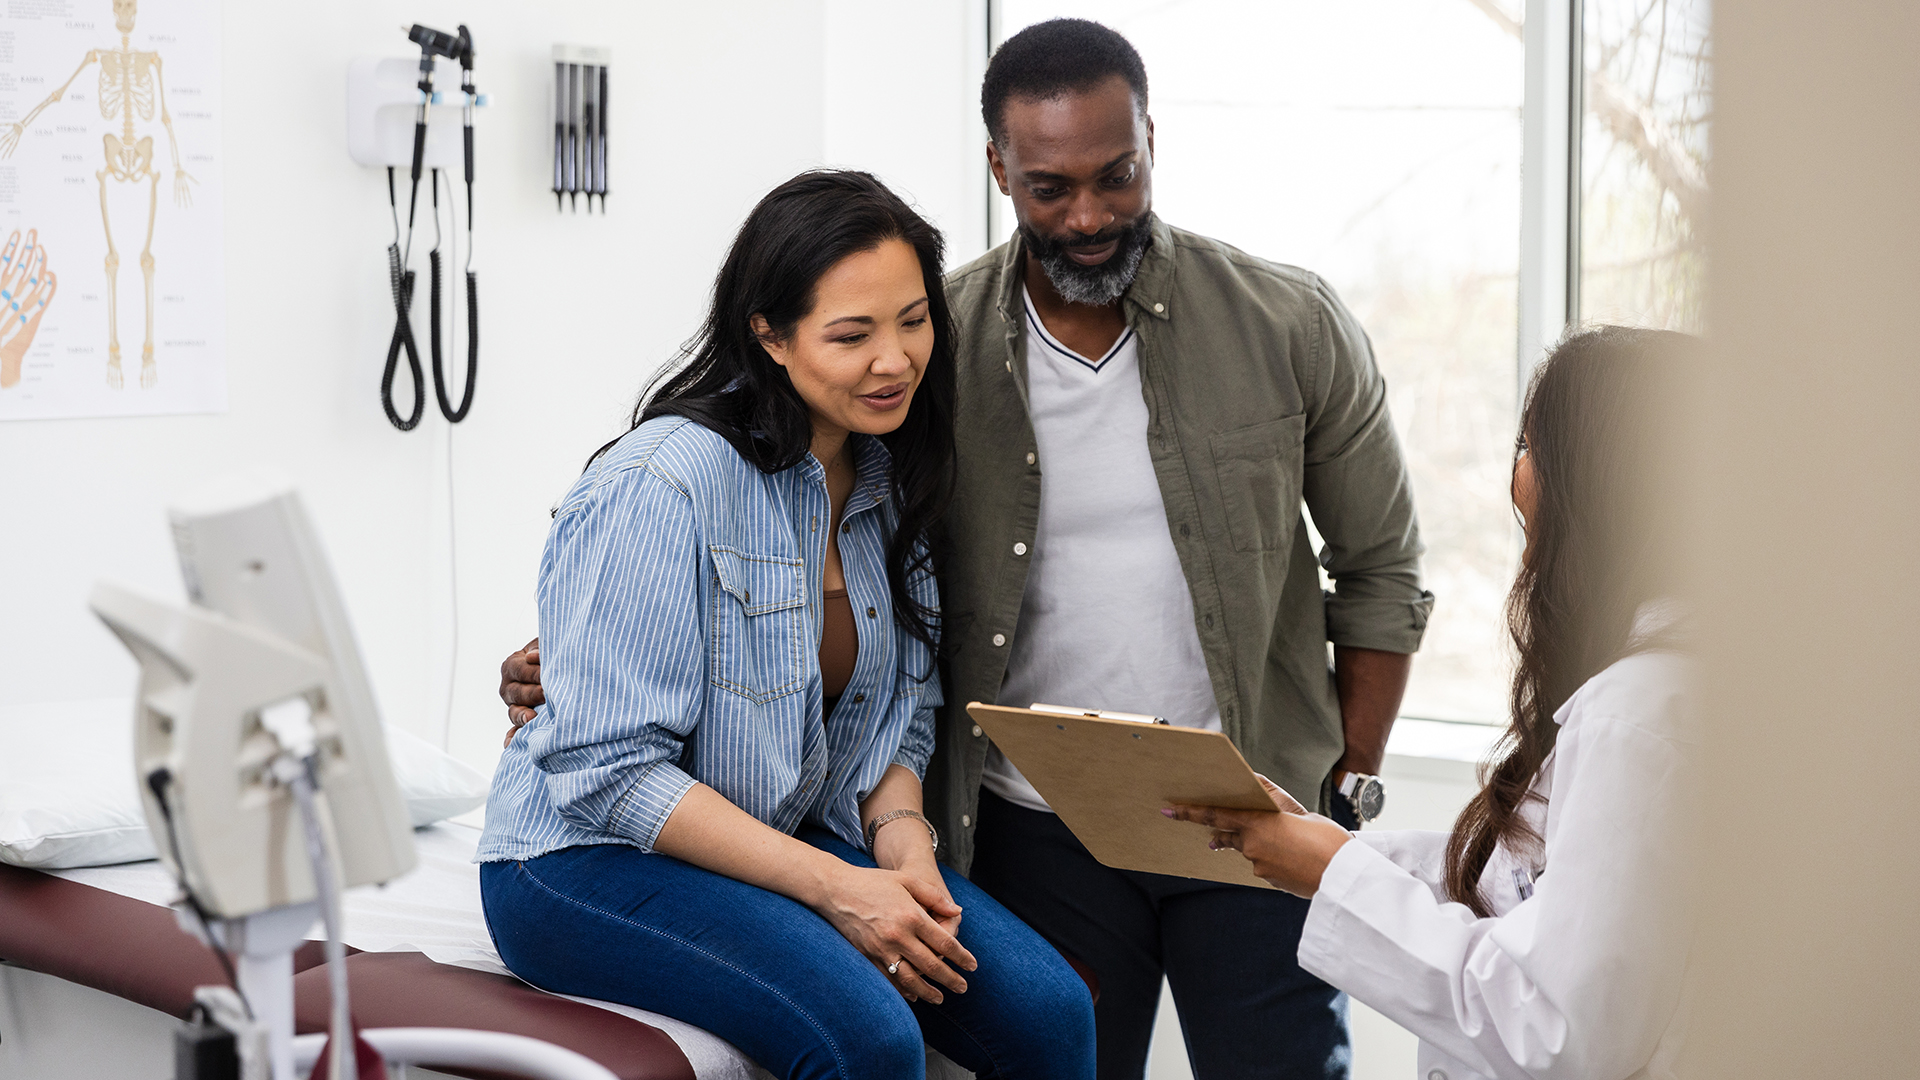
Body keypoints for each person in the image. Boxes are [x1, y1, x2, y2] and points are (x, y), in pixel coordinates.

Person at [504, 20, 1429, 1078]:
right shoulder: (923, 350)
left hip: (1250, 801)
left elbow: (1383, 575)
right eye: (1049, 188)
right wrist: (566, 658)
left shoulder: (1283, 322)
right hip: (1037, 813)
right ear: (998, 168)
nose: (1087, 216)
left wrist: (1349, 787)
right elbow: (690, 548)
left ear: (1152, 142)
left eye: (1115, 176)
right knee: (1028, 1030)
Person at [477, 170, 1096, 1080]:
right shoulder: (662, 485)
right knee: (869, 1038)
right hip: (577, 859)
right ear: (768, 335)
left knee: (1051, 1012)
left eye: (914, 320)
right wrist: (839, 886)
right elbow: (605, 774)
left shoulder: (891, 482)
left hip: (773, 832)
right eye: (852, 335)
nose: (895, 361)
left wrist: (902, 844)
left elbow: (902, 717)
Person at [1171, 327, 1696, 1080]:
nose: (1517, 475)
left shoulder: (1636, 717)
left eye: (1530, 445)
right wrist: (1333, 850)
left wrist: (1335, 873)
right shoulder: (1664, 689)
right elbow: (1528, 888)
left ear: (1595, 484)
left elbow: (1553, 1032)